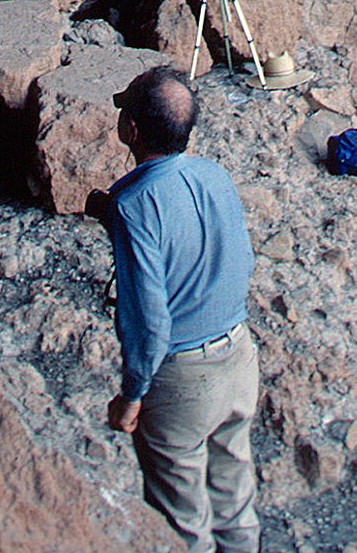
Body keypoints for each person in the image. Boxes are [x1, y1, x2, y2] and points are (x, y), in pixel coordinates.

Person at [102, 66, 260, 553]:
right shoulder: (215, 175)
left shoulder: (131, 204)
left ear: (130, 130)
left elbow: (149, 323)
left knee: (181, 522)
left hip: (183, 382)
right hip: (239, 358)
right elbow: (240, 257)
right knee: (234, 497)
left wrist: (132, 395)